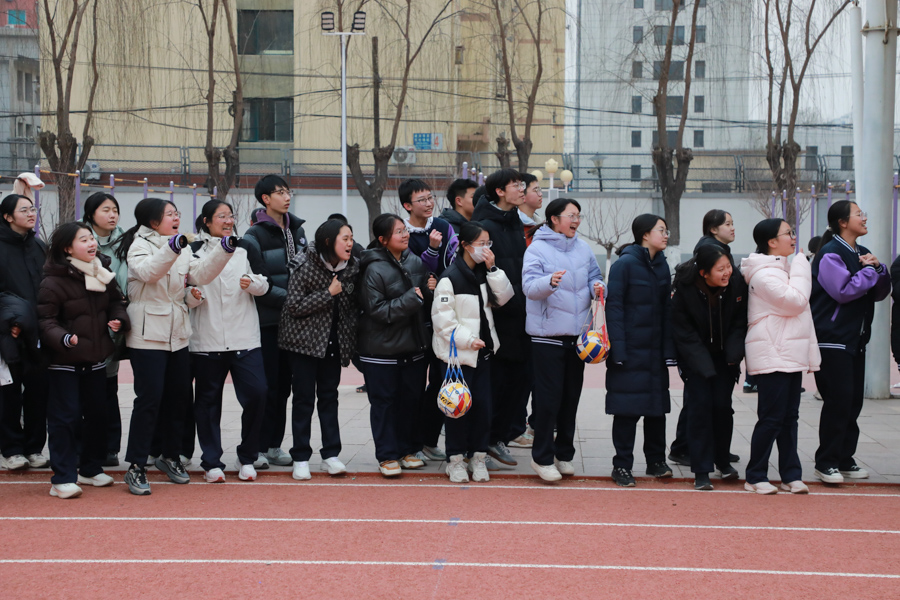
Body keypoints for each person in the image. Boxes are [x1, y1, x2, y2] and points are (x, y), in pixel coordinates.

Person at [117, 198, 235, 495]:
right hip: (147, 336)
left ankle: (170, 456)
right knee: (149, 400)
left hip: (178, 335)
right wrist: (172, 247)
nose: (176, 218)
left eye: (176, 213)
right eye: (169, 214)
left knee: (179, 398)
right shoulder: (139, 245)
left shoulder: (180, 246)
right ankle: (136, 465)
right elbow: (149, 273)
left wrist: (224, 249)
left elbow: (201, 274)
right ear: (153, 221)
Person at [37, 222, 130, 498]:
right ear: (67, 248)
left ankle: (90, 469)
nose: (91, 244)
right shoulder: (53, 281)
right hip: (64, 363)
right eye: (84, 240)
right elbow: (45, 320)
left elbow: (117, 302)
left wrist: (118, 319)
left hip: (96, 360)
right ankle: (62, 478)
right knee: (65, 419)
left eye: (91, 238)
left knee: (97, 417)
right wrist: (64, 338)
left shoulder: (102, 272)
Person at [188, 200, 269, 483]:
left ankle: (247, 456)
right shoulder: (194, 251)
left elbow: (264, 282)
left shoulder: (245, 247)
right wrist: (192, 298)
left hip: (244, 337)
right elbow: (184, 289)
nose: (228, 221)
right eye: (221, 216)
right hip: (206, 340)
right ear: (207, 221)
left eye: (230, 216)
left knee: (258, 394)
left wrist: (253, 284)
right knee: (207, 403)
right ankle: (211, 461)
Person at [522, 198, 604, 482]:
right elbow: (529, 287)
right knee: (548, 400)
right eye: (571, 215)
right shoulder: (537, 248)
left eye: (578, 215)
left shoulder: (583, 248)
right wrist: (549, 282)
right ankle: (542, 458)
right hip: (547, 337)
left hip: (578, 337)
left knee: (571, 398)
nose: (576, 221)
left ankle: (564, 454)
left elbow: (595, 276)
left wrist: (598, 287)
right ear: (554, 219)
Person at [810, 201, 890, 484]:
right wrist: (868, 272)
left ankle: (844, 459)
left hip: (855, 339)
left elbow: (879, 293)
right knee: (839, 401)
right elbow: (843, 291)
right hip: (832, 339)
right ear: (843, 222)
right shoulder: (831, 253)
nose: (864, 218)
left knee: (853, 402)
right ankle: (826, 462)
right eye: (859, 215)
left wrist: (879, 269)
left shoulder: (862, 252)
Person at [741, 218, 820, 494]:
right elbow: (796, 301)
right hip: (772, 353)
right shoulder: (764, 275)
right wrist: (802, 265)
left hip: (789, 352)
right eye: (788, 233)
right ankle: (755, 475)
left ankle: (790, 474)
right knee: (772, 418)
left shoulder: (782, 269)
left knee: (789, 418)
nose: (793, 237)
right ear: (772, 242)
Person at [432, 220, 513, 483]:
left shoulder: (484, 273)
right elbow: (443, 322)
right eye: (481, 244)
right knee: (456, 409)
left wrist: (493, 269)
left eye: (489, 243)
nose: (486, 248)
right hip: (458, 357)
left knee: (482, 410)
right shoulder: (449, 278)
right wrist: (469, 340)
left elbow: (504, 298)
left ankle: (478, 457)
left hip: (484, 355)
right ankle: (455, 460)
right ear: (466, 245)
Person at [279, 219, 360, 480]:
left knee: (329, 398)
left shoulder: (352, 266)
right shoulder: (304, 264)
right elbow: (293, 306)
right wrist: (328, 293)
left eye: (351, 238)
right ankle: (300, 457)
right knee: (303, 400)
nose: (350, 244)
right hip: (303, 344)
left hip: (333, 343)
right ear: (328, 241)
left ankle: (331, 455)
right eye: (344, 239)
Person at [357, 214, 433, 477]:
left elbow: (423, 299)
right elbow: (377, 310)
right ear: (382, 239)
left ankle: (408, 450)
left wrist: (429, 290)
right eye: (398, 231)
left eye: (404, 230)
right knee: (385, 404)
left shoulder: (414, 261)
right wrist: (412, 299)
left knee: (411, 402)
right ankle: (387, 455)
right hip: (381, 350)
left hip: (413, 347)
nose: (405, 235)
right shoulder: (373, 268)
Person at [605, 214, 675, 487]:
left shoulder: (662, 264)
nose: (666, 235)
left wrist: (668, 349)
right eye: (661, 230)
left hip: (654, 351)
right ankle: (622, 465)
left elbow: (666, 311)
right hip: (631, 350)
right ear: (645, 234)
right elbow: (614, 308)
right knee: (627, 410)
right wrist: (619, 351)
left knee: (656, 409)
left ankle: (656, 461)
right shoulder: (624, 264)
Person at [243, 174, 307, 469]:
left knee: (284, 388)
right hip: (268, 322)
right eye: (280, 192)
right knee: (264, 387)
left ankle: (273, 445)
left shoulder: (297, 230)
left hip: (296, 321)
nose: (287, 196)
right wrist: (292, 300)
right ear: (265, 199)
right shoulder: (254, 236)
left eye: (288, 191)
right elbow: (259, 281)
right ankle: (254, 447)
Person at [669, 209, 741, 466]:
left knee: (713, 403)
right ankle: (686, 448)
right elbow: (685, 329)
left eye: (733, 223)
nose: (732, 228)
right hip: (699, 352)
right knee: (698, 402)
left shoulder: (724, 260)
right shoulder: (706, 255)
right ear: (713, 228)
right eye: (727, 224)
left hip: (719, 351)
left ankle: (714, 452)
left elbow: (738, 319)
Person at [471, 168, 530, 468]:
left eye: (522, 184)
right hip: (496, 317)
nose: (522, 189)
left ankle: (497, 439)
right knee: (494, 385)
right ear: (499, 191)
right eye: (516, 185)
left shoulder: (515, 220)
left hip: (519, 314)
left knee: (516, 384)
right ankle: (479, 445)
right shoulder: (483, 226)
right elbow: (478, 272)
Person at [400, 178, 456, 463]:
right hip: (414, 315)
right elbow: (411, 269)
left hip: (442, 313)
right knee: (412, 385)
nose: (428, 203)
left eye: (430, 197)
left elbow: (452, 264)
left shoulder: (444, 226)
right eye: (421, 200)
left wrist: (437, 271)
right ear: (407, 206)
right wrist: (432, 251)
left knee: (440, 380)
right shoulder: (402, 232)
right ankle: (411, 442)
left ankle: (429, 439)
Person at [0, 193, 49, 471]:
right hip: (10, 333)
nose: (31, 214)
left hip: (39, 332)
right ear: (8, 217)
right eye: (24, 210)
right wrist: (11, 323)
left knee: (38, 392)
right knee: (9, 394)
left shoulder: (38, 246)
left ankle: (34, 447)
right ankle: (11, 449)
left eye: (33, 209)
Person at [82, 192, 128, 467]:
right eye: (105, 210)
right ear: (90, 214)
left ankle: (110, 448)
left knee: (109, 387)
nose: (112, 215)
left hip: (115, 321)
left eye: (115, 210)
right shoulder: (77, 240)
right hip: (84, 323)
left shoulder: (126, 241)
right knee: (85, 390)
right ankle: (85, 447)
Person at [518, 172, 543, 245]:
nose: (540, 194)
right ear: (522, 195)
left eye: (539, 190)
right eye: (536, 190)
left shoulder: (541, 224)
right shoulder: (514, 225)